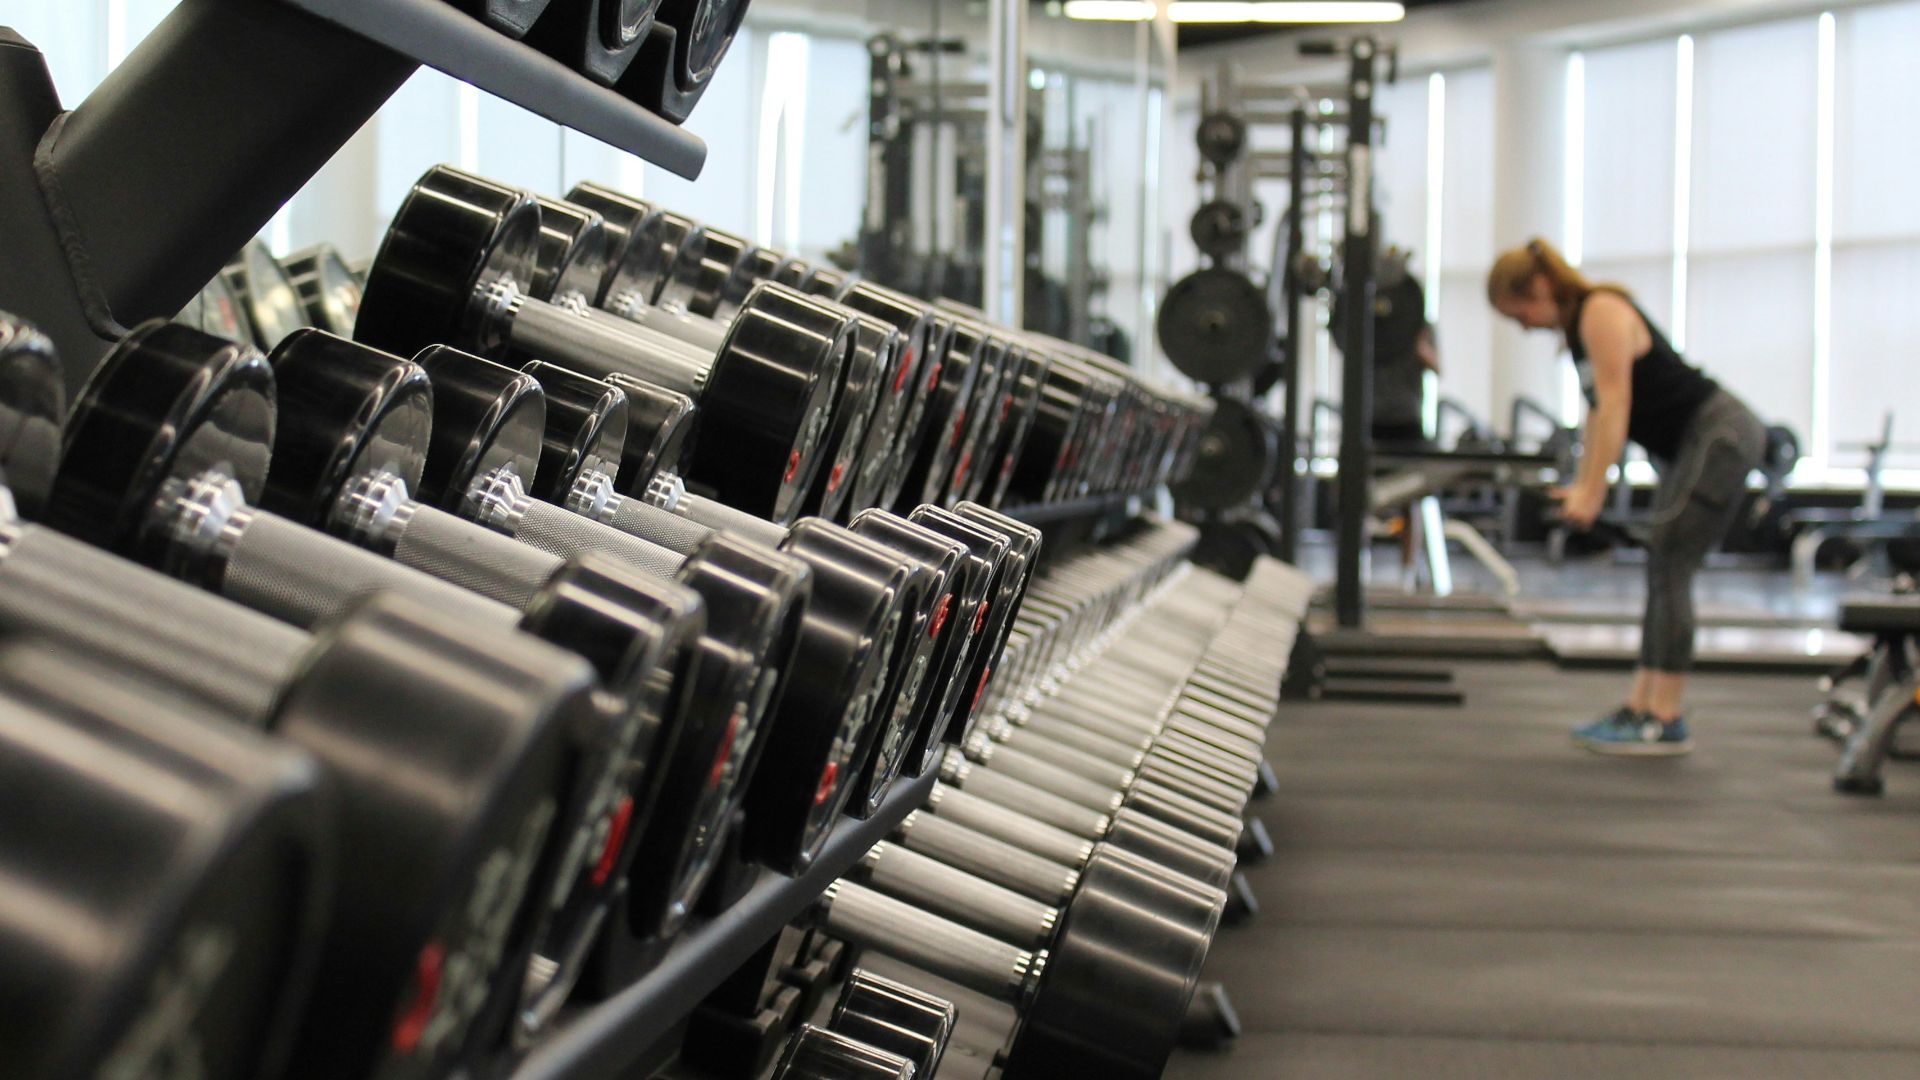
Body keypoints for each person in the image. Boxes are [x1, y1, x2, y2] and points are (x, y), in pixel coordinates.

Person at [1486, 238, 1765, 757]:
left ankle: (1665, 714)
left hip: (1719, 435)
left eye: (1519, 311)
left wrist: (1595, 492)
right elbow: (1597, 416)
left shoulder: (1601, 309)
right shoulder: (1578, 332)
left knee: (1672, 561)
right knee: (1663, 562)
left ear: (1541, 287)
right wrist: (1585, 485)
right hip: (1691, 444)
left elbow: (1617, 404)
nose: (1523, 325)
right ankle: (1642, 705)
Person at [1368, 246, 1441, 447]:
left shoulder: (1422, 327)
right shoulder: (1366, 325)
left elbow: (1437, 368)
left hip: (1406, 417)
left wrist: (1419, 347)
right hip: (1370, 418)